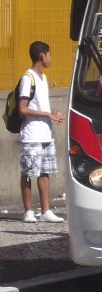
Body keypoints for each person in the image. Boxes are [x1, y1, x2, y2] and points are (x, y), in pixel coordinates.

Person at [18, 41, 65, 223]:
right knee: (28, 172)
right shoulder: (27, 78)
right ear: (42, 56)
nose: (51, 58)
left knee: (45, 172)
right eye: (49, 54)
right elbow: (23, 108)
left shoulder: (43, 79)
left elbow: (41, 105)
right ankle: (28, 211)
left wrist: (53, 113)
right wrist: (46, 114)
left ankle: (46, 210)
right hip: (31, 135)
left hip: (46, 134)